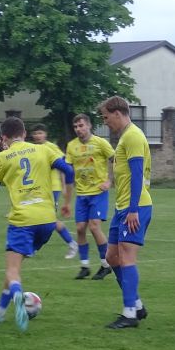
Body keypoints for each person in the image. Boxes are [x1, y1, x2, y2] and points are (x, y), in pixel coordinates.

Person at [0, 117, 74, 331]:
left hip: (23, 220)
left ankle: (18, 296)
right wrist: (67, 201)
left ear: (4, 138)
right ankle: (0, 310)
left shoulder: (3, 157)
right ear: (24, 134)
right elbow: (69, 171)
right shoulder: (43, 150)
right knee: (13, 268)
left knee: (12, 270)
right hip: (47, 220)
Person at [99, 97, 151, 329]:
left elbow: (137, 174)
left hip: (135, 207)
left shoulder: (133, 136)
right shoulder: (126, 136)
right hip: (122, 207)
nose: (105, 121)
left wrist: (133, 210)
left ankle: (129, 314)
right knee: (111, 257)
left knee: (127, 257)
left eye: (106, 117)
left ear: (117, 113)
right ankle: (137, 305)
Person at [65, 113, 114, 280]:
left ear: (89, 125)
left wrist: (109, 180)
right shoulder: (71, 146)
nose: (78, 129)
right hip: (81, 194)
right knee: (80, 229)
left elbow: (116, 160)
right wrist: (67, 197)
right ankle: (84, 266)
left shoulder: (100, 143)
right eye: (75, 127)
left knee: (94, 227)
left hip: (98, 192)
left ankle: (106, 264)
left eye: (81, 125)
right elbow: (68, 171)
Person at [28, 123, 78, 258]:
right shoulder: (31, 148)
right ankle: (33, 247)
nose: (38, 136)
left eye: (40, 133)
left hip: (52, 188)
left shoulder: (51, 147)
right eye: (35, 133)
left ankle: (71, 243)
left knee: (49, 219)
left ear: (45, 134)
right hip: (38, 189)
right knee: (40, 218)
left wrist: (64, 187)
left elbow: (63, 167)